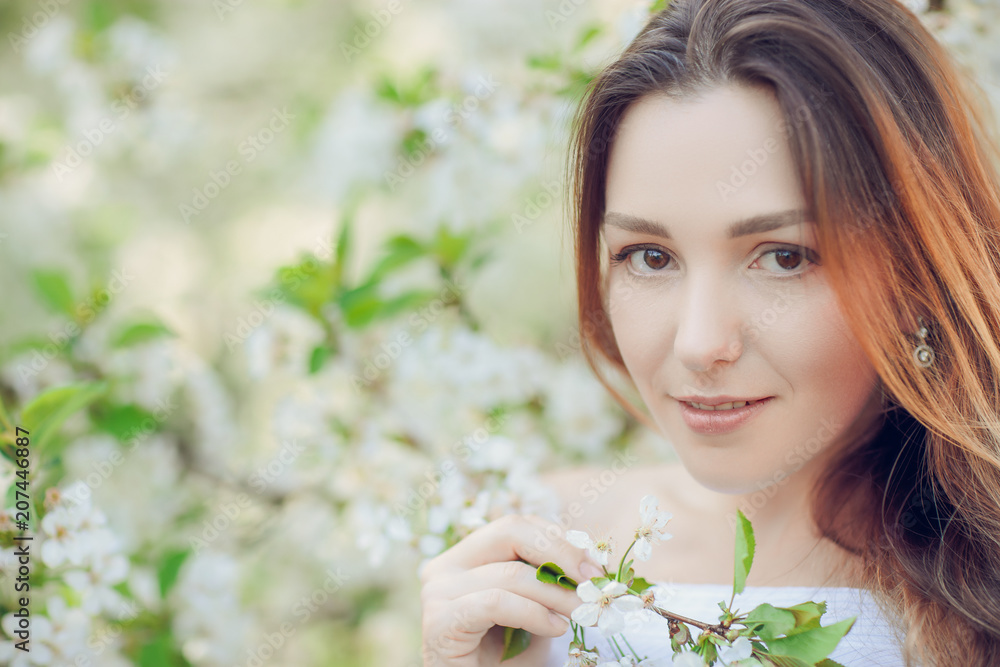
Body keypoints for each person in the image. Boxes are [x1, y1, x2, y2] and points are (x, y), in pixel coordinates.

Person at [419, 0, 1000, 664]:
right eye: (650, 256)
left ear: (915, 269)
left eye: (784, 256)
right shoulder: (535, 559)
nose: (698, 344)